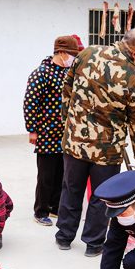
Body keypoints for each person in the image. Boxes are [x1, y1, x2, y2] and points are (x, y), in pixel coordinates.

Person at [56, 28, 135, 258]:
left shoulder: (87, 53)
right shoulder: (134, 77)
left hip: (75, 142)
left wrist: (68, 123)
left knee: (71, 189)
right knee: (103, 196)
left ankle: (64, 236)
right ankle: (93, 243)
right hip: (107, 150)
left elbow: (67, 90)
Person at [23, 35, 83, 227]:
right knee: (46, 175)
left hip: (65, 133)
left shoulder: (69, 72)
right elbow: (30, 102)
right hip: (46, 133)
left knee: (62, 174)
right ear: (62, 52)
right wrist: (32, 130)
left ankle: (55, 206)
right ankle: (40, 210)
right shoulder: (41, 73)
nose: (74, 58)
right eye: (72, 54)